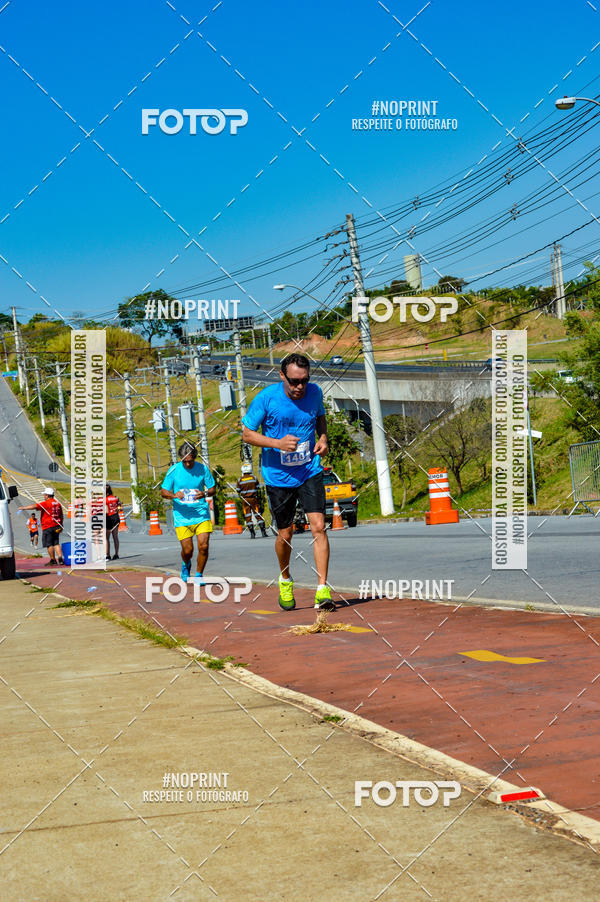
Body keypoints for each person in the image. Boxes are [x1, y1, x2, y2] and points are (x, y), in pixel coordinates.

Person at [242, 352, 335, 612]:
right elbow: (247, 434)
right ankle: (285, 579)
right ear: (282, 375)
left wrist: (323, 439)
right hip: (278, 476)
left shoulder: (315, 393)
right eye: (294, 381)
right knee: (286, 533)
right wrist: (277, 443)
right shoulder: (266, 398)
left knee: (319, 527)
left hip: (309, 470)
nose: (300, 387)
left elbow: (320, 418)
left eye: (304, 380)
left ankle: (322, 589)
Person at [161, 442, 216, 583]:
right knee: (188, 551)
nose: (187, 464)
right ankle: (186, 564)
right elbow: (164, 491)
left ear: (195, 458)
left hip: (201, 514)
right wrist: (174, 495)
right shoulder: (174, 470)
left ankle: (199, 575)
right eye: (184, 461)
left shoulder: (203, 469)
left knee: (203, 546)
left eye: (190, 461)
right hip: (182, 517)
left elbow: (212, 489)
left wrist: (204, 493)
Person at [19, 487, 64, 566]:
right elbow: (61, 515)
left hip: (48, 526)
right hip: (57, 525)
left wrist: (23, 508)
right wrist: (61, 524)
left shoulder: (46, 503)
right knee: (56, 543)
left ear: (47, 495)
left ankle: (53, 560)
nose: (44, 496)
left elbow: (34, 506)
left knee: (49, 544)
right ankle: (60, 559)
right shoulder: (57, 503)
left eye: (44, 495)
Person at [236, 463, 267, 538]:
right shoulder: (254, 478)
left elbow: (238, 490)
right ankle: (263, 532)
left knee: (248, 516)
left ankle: (252, 534)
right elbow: (258, 487)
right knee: (258, 515)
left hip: (245, 500)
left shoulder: (240, 480)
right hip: (254, 499)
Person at [105, 484, 121, 561]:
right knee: (115, 537)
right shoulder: (116, 498)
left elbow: (106, 511)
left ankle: (107, 555)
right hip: (116, 517)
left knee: (106, 538)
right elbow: (120, 508)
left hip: (109, 517)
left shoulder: (105, 499)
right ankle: (116, 554)